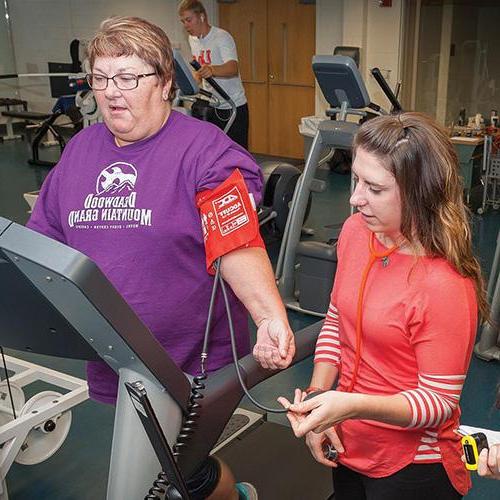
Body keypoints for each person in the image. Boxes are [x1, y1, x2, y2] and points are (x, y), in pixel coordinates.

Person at [27, 16, 294, 500]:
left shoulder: (207, 152)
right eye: (101, 78)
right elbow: (42, 240)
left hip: (190, 359)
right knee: (172, 470)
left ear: (166, 82)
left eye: (128, 78)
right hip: (118, 354)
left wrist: (269, 313)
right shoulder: (81, 149)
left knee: (173, 470)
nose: (111, 92)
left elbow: (233, 239)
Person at [279, 112, 490, 499]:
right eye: (356, 179)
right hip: (349, 442)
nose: (356, 198)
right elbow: (337, 318)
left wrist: (348, 405)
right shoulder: (356, 232)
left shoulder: (445, 283)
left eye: (374, 188)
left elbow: (438, 403)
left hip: (412, 465)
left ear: (419, 192)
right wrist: (315, 401)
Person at [178, 0, 249, 149]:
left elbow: (233, 68)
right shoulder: (193, 40)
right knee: (213, 152)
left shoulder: (221, 37)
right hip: (212, 104)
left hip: (233, 106)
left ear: (202, 16)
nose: (186, 25)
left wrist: (212, 70)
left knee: (237, 155)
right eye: (183, 21)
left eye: (189, 20)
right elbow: (200, 70)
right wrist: (195, 78)